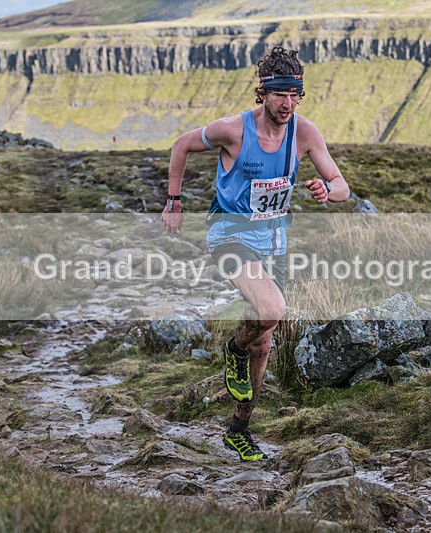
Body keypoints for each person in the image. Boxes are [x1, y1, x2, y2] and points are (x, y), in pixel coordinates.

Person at [161, 46, 350, 462]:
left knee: (263, 345)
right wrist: (174, 201)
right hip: (229, 234)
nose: (288, 103)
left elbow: (341, 184)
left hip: (274, 243)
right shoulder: (233, 130)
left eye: (295, 94)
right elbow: (181, 145)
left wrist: (327, 191)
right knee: (271, 308)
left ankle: (238, 429)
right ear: (262, 92)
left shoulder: (305, 133)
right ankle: (233, 348)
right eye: (281, 94)